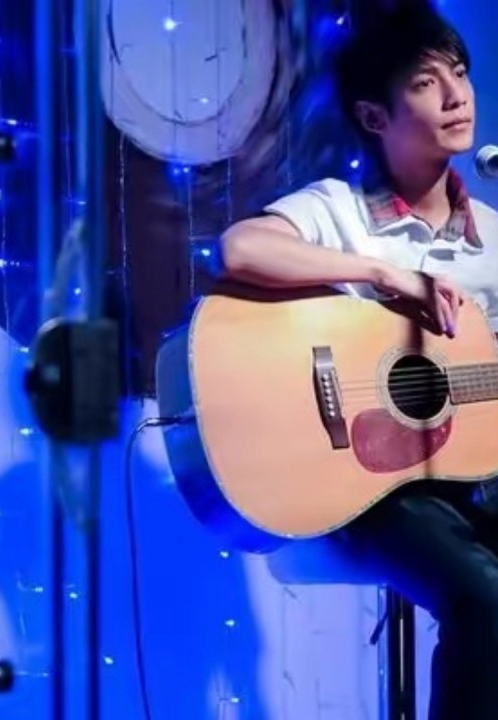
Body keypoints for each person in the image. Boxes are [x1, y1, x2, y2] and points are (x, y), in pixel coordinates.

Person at [218, 4, 498, 720]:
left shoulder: (494, 237)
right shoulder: (338, 208)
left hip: (475, 474)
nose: (457, 96)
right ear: (375, 117)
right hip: (365, 488)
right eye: (426, 83)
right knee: (485, 597)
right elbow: (242, 249)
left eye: (461, 74)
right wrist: (381, 274)